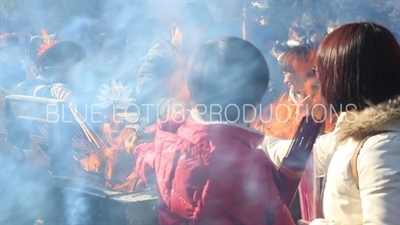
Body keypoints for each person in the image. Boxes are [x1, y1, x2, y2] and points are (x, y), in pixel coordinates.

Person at [134, 37, 294, 225]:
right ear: (253, 104)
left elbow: (144, 157)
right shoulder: (250, 165)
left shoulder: (167, 145)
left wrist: (137, 149)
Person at [261, 22, 400, 225]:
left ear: (348, 76)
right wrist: (257, 142)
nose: (318, 79)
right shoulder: (355, 131)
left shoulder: (383, 147)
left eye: (321, 70)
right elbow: (310, 156)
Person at [135, 2, 213, 127]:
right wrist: (172, 106)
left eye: (199, 37)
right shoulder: (158, 56)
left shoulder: (199, 59)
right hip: (155, 131)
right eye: (188, 35)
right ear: (174, 29)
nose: (193, 42)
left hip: (191, 131)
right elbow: (145, 94)